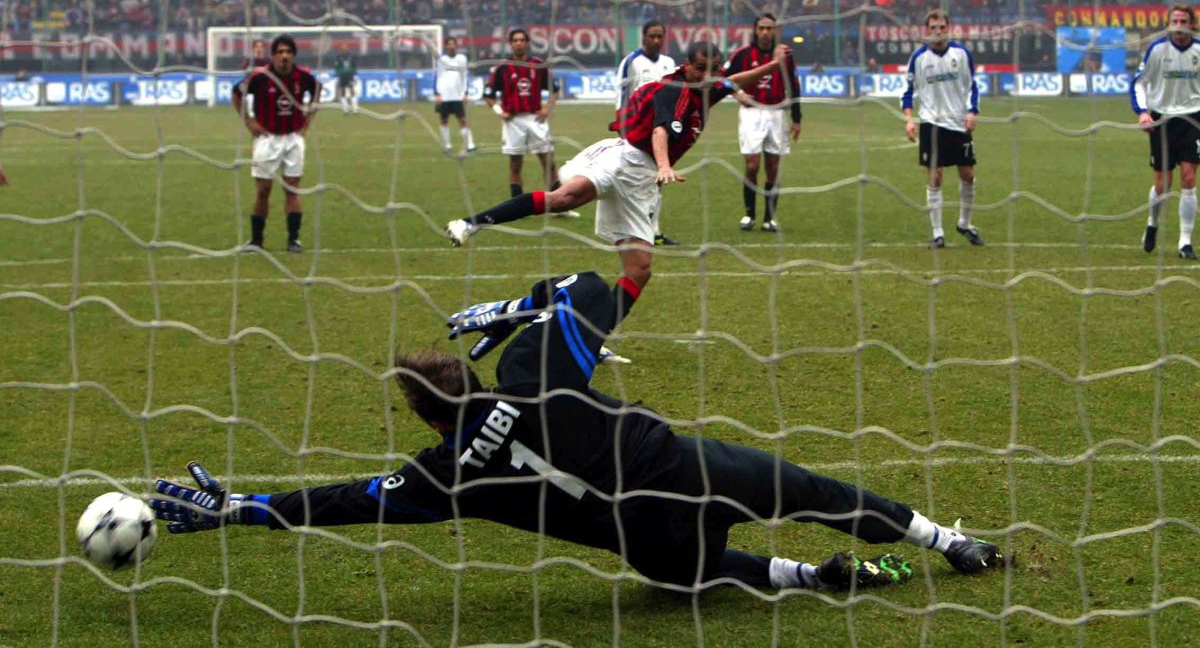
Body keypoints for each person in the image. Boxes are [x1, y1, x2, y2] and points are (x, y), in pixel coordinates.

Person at [150, 270, 1003, 594]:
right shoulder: (529, 373)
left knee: (688, 580)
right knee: (817, 492)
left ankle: (809, 579)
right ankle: (950, 542)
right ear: (471, 372)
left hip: (647, 540)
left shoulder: (441, 475)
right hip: (691, 469)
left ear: (419, 414)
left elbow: (344, 503)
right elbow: (601, 284)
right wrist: (518, 308)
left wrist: (243, 508)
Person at [445, 41, 789, 323]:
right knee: (566, 197)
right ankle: (470, 224)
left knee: (639, 269)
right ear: (688, 65)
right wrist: (665, 165)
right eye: (700, 69)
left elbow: (739, 78)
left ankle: (592, 337)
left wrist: (774, 66)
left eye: (711, 71)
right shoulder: (673, 88)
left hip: (640, 184)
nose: (705, 75)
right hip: (623, 157)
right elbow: (660, 129)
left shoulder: (710, 88)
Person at [901, 10, 983, 249]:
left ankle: (965, 224)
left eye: (942, 27)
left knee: (968, 175)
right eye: (933, 28)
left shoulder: (961, 54)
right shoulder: (918, 58)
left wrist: (972, 112)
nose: (938, 32)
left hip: (958, 123)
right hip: (931, 123)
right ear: (927, 31)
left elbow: (973, 87)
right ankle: (938, 233)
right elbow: (907, 94)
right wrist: (908, 119)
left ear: (949, 28)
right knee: (935, 177)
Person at [232, 35, 321, 253]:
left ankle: (293, 240)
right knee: (263, 190)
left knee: (292, 189)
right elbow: (236, 94)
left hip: (293, 139)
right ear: (273, 56)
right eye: (280, 52)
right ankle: (256, 241)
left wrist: (307, 122)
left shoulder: (304, 76)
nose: (284, 56)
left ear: (293, 55)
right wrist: (249, 120)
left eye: (288, 52)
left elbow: (318, 91)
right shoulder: (260, 76)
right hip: (267, 139)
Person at [1131, 4, 1200, 259]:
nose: (1179, 25)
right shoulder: (1157, 49)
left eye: (1184, 21)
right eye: (1175, 21)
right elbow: (1139, 82)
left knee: (1189, 179)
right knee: (1163, 184)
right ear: (1169, 23)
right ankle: (1152, 223)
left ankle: (1185, 242)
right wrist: (1143, 111)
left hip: (1193, 118)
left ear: (1192, 24)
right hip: (1162, 119)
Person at [723, 14, 802, 232]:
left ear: (775, 31)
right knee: (752, 165)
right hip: (751, 113)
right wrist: (739, 96)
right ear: (755, 30)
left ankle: (769, 218)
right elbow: (724, 80)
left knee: (773, 168)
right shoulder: (742, 54)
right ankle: (749, 215)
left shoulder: (785, 55)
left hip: (776, 113)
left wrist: (797, 119)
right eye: (762, 28)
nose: (766, 32)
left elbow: (794, 86)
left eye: (769, 28)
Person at [484, 29, 570, 202]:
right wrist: (500, 112)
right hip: (513, 121)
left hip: (535, 119)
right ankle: (517, 205)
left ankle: (558, 205)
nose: (518, 43)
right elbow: (488, 95)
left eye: (522, 40)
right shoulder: (502, 68)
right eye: (515, 40)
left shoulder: (538, 65)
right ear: (510, 43)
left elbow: (555, 89)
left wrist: (547, 109)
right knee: (515, 165)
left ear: (527, 43)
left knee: (549, 163)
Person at [614, 20, 679, 245]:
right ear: (643, 37)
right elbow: (622, 95)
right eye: (652, 36)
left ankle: (655, 231)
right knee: (634, 180)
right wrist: (622, 127)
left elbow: (674, 96)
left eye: (660, 36)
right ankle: (630, 229)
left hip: (661, 129)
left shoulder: (669, 63)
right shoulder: (631, 62)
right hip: (637, 130)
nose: (656, 41)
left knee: (658, 179)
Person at [434, 35, 476, 155]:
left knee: (462, 120)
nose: (451, 46)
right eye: (449, 44)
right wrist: (437, 94)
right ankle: (447, 146)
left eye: (453, 44)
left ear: (456, 46)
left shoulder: (462, 59)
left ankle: (470, 145)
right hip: (444, 95)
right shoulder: (441, 60)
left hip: (457, 95)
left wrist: (465, 93)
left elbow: (464, 77)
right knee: (443, 120)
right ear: (446, 46)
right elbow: (438, 77)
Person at [333, 43, 359, 115]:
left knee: (351, 90)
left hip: (349, 75)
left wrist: (354, 73)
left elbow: (354, 66)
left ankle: (355, 109)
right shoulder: (338, 57)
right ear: (341, 49)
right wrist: (338, 72)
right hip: (342, 76)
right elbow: (336, 66)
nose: (344, 49)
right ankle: (345, 109)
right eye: (343, 47)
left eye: (345, 47)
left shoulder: (352, 56)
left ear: (347, 48)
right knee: (343, 91)